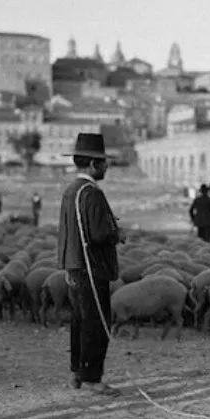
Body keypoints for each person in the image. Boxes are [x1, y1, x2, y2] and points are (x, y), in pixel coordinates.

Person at [57, 133, 123, 397]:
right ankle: (93, 379)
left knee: (80, 321)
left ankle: (77, 373)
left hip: (74, 265)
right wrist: (118, 234)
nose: (107, 167)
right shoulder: (92, 193)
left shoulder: (71, 190)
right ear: (94, 164)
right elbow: (98, 234)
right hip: (91, 267)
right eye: (104, 163)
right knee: (96, 323)